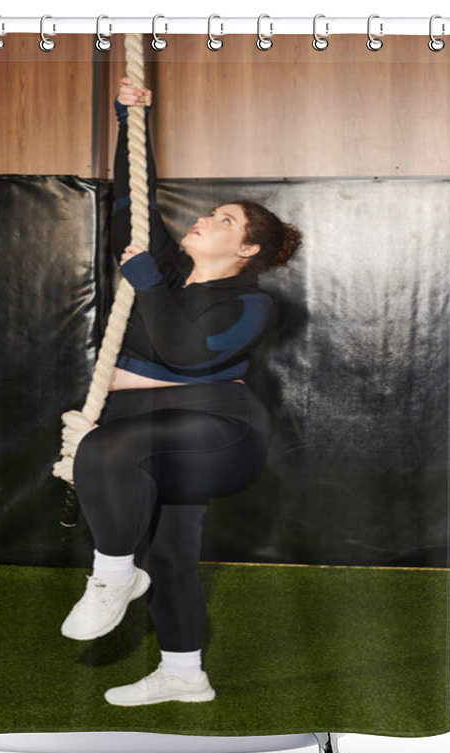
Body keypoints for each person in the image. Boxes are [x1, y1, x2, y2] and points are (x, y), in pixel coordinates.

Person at [60, 76, 302, 707]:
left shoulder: (251, 301)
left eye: (224, 221)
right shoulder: (162, 272)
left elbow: (186, 352)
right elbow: (129, 203)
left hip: (219, 434)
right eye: (208, 212)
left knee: (108, 451)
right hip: (147, 427)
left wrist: (146, 283)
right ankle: (183, 674)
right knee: (170, 555)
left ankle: (112, 576)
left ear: (247, 248)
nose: (204, 218)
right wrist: (127, 122)